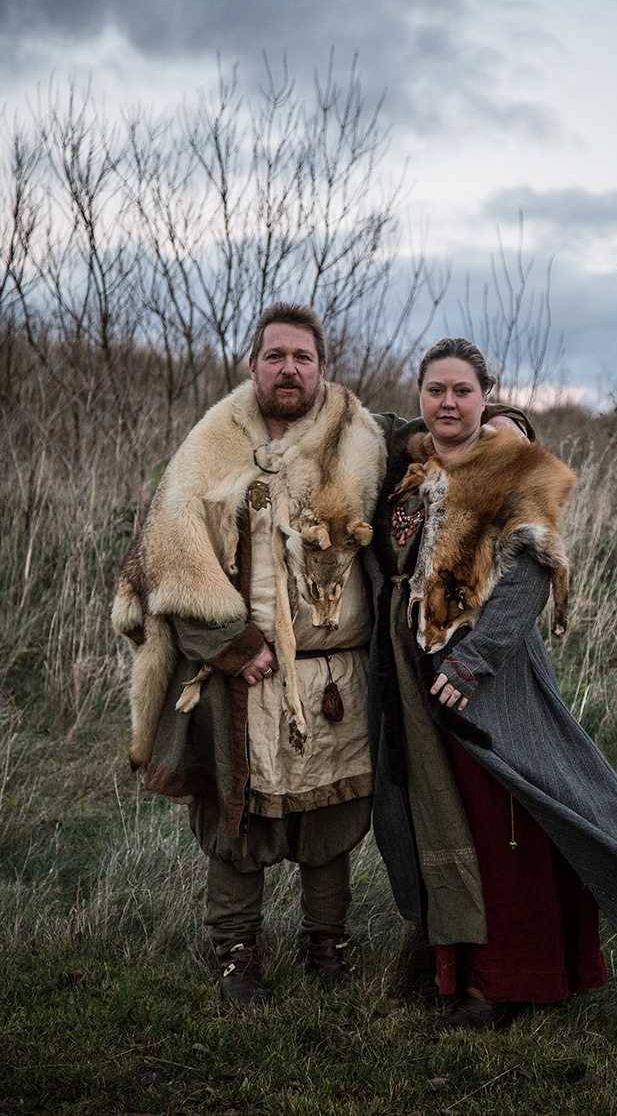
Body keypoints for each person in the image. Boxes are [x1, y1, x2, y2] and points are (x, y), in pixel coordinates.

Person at [367, 337, 617, 1033]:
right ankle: (452, 970)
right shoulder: (408, 474)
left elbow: (531, 577)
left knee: (504, 829)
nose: (449, 402)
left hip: (488, 683)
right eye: (436, 390)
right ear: (420, 397)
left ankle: (506, 984)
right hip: (415, 688)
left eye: (462, 391)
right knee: (443, 826)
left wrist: (471, 663)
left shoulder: (513, 468)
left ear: (486, 396)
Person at [112, 302, 386, 1005]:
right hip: (243, 673)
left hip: (335, 676)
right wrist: (231, 644)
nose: (289, 368)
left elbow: (431, 458)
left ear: (322, 367)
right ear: (253, 365)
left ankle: (326, 942)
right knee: (239, 820)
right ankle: (236, 951)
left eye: (302, 356)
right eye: (276, 356)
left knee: (329, 819)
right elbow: (171, 559)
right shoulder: (211, 444)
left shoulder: (359, 437)